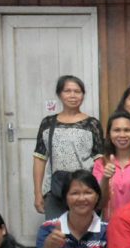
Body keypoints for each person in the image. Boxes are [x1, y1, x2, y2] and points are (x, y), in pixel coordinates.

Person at [33, 75, 104, 219]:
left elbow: (100, 161)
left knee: (84, 235)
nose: (73, 95)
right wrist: (37, 192)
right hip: (55, 190)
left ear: (83, 95)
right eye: (67, 91)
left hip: (84, 190)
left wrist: (99, 192)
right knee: (57, 233)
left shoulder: (93, 124)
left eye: (77, 91)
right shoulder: (48, 123)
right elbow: (39, 159)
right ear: (59, 94)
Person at [92, 111, 130, 220]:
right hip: (111, 226)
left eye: (127, 130)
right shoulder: (100, 163)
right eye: (116, 130)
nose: (122, 135)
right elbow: (99, 204)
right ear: (109, 134)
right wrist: (105, 178)